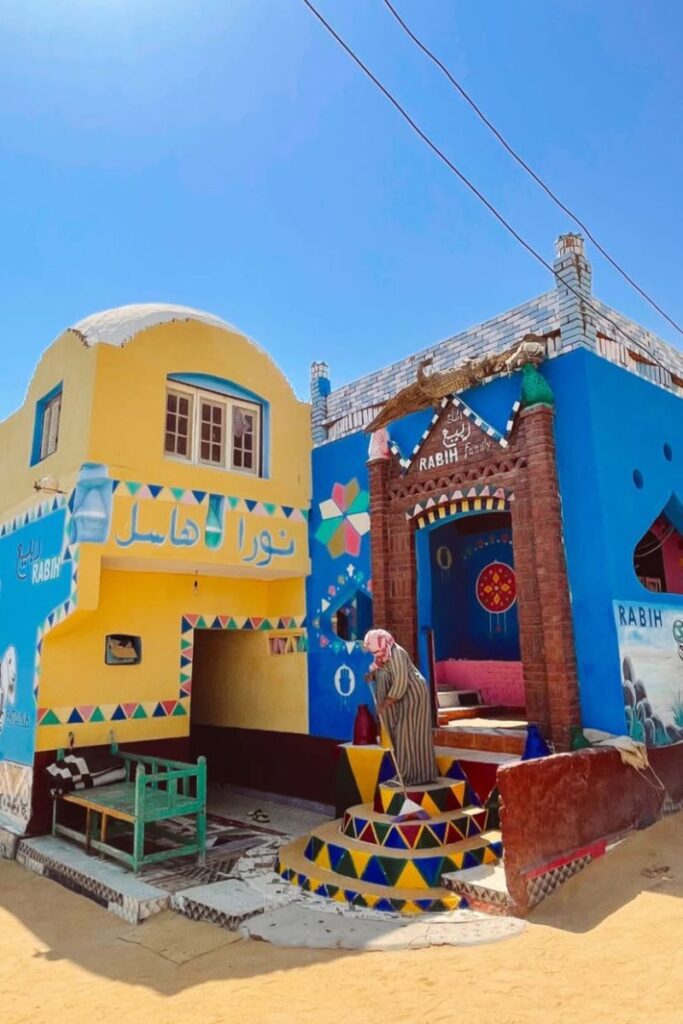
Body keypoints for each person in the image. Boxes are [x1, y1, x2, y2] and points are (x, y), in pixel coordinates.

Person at [363, 628, 437, 786]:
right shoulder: (384, 656)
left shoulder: (397, 654)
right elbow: (384, 672)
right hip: (403, 697)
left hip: (414, 695)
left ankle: (408, 777)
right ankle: (417, 775)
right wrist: (372, 675)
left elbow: (400, 681)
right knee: (405, 735)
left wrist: (385, 704)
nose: (376, 655)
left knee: (407, 734)